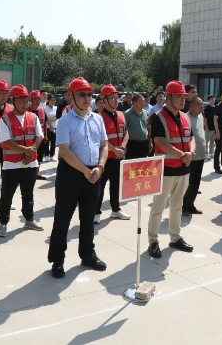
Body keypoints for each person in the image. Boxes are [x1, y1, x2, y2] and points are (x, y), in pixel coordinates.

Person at [48, 77, 109, 278]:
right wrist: (85, 171)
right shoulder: (65, 121)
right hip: (71, 174)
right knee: (63, 218)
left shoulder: (97, 119)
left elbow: (104, 146)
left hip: (94, 173)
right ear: (71, 97)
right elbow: (64, 151)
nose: (86, 98)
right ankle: (57, 259)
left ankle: (87, 254)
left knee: (88, 218)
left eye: (89, 94)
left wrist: (100, 167)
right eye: (82, 94)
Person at [148, 80, 196, 258]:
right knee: (158, 208)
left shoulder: (185, 117)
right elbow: (160, 142)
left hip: (183, 170)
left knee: (177, 206)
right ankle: (153, 241)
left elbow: (191, 139)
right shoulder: (158, 117)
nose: (183, 100)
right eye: (178, 96)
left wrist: (191, 152)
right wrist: (182, 154)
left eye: (184, 96)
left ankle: (175, 238)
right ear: (168, 98)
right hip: (165, 170)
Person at [0, 85, 44, 237]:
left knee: (28, 194)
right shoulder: (5, 120)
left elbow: (39, 136)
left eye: (26, 101)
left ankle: (29, 219)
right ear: (13, 101)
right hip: (11, 165)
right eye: (21, 101)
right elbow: (6, 141)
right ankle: (3, 222)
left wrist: (31, 152)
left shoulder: (33, 117)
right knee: (7, 195)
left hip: (30, 163)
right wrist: (25, 150)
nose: (25, 104)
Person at [95, 84, 131, 224]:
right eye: (112, 98)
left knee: (116, 185)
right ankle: (96, 212)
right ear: (104, 100)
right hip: (105, 158)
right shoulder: (98, 117)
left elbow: (126, 133)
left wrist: (122, 147)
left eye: (117, 97)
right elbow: (100, 139)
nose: (116, 100)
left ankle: (116, 209)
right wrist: (115, 150)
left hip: (119, 156)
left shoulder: (121, 115)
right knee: (100, 186)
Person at [182, 97, 206, 216]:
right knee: (188, 184)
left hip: (201, 155)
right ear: (191, 106)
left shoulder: (201, 116)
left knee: (196, 183)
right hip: (190, 157)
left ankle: (191, 205)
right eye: (199, 104)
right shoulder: (185, 118)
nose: (202, 106)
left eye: (202, 104)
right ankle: (184, 207)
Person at [28, 90, 48, 180]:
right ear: (31, 99)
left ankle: (36, 174)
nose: (37, 101)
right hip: (30, 138)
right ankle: (28, 174)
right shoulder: (26, 110)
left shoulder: (42, 110)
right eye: (35, 99)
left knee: (39, 157)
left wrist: (46, 135)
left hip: (40, 138)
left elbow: (44, 123)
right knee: (29, 155)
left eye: (39, 99)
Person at [124, 93, 151, 160]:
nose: (143, 103)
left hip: (144, 143)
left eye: (143, 101)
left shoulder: (146, 113)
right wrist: (124, 145)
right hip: (132, 144)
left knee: (143, 163)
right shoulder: (127, 114)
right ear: (134, 102)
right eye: (141, 101)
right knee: (132, 164)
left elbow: (149, 128)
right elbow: (124, 131)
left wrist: (150, 142)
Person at [44, 94, 58, 161]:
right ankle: (47, 155)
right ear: (48, 100)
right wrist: (50, 126)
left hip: (55, 127)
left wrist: (52, 122)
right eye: (52, 100)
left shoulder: (56, 108)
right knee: (46, 142)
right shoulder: (45, 108)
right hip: (47, 127)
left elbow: (57, 117)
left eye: (54, 100)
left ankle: (52, 155)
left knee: (53, 142)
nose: (53, 101)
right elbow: (45, 119)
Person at [204, 94, 216, 159]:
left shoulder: (216, 108)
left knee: (212, 141)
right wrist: (206, 127)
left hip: (215, 128)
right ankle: (205, 153)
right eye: (212, 99)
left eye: (214, 98)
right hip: (209, 128)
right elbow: (205, 118)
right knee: (206, 141)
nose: (213, 100)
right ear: (209, 100)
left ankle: (211, 153)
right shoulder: (207, 108)